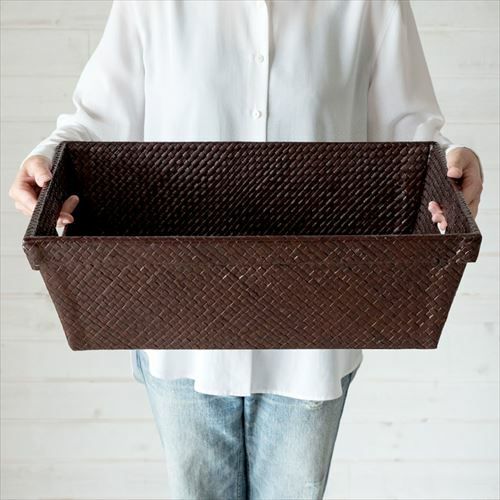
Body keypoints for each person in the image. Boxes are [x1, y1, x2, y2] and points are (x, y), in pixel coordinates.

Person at [8, 1, 483, 498]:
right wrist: (44, 160)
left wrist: (451, 163)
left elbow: (409, 132)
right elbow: (98, 120)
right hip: (180, 329)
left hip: (313, 333)